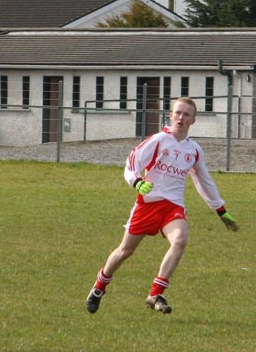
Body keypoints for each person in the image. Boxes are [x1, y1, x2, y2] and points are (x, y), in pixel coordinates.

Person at [86, 97, 239, 315]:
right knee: (125, 251)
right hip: (148, 205)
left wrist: (220, 210)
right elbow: (132, 162)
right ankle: (99, 287)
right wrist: (137, 182)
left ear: (193, 121)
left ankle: (155, 294)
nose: (181, 117)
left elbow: (204, 181)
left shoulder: (194, 150)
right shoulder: (158, 140)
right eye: (178, 113)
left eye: (186, 115)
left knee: (180, 240)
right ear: (170, 115)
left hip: (173, 206)